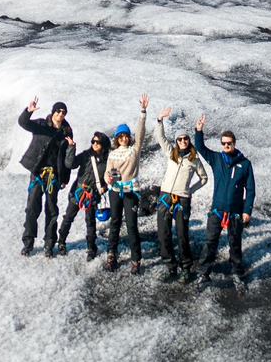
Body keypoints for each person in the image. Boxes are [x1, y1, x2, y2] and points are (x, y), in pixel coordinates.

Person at [193, 114, 255, 291]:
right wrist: (199, 130)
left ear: (234, 143)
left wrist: (247, 210)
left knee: (235, 244)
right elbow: (200, 148)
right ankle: (203, 274)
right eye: (223, 143)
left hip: (235, 213)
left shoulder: (245, 164)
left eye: (229, 143)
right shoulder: (217, 159)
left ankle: (236, 273)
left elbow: (250, 190)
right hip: (217, 211)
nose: (226, 146)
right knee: (210, 243)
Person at [155, 106, 208, 283]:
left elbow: (204, 178)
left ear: (189, 141)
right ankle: (170, 267)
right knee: (163, 233)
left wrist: (189, 192)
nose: (183, 141)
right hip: (165, 197)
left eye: (185, 139)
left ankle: (186, 268)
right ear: (176, 141)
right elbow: (160, 138)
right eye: (180, 139)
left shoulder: (194, 159)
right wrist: (160, 120)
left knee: (182, 234)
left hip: (182, 200)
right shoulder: (172, 154)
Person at [18, 97, 73, 258]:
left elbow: (67, 157)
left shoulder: (66, 132)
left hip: (54, 176)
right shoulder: (41, 125)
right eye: (58, 111)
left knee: (51, 210)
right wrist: (28, 112)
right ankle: (28, 243)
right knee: (32, 209)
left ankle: (49, 244)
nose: (60, 114)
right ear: (53, 112)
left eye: (63, 112)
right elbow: (23, 123)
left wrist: (64, 179)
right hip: (38, 173)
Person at [104, 93, 149, 274]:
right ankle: (111, 255)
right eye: (120, 136)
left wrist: (143, 112)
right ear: (116, 138)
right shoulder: (112, 154)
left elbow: (141, 132)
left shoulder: (134, 150)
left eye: (125, 136)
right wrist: (109, 178)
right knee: (115, 222)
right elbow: (110, 171)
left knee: (131, 225)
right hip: (115, 191)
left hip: (131, 191)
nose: (123, 139)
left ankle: (136, 259)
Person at [57, 132, 111, 261]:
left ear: (103, 144)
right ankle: (61, 242)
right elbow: (70, 164)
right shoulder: (86, 155)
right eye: (93, 141)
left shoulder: (108, 160)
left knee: (90, 222)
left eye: (97, 142)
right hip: (78, 192)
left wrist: (106, 187)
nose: (95, 144)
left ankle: (91, 248)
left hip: (93, 194)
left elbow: (112, 177)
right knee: (68, 217)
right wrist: (71, 148)